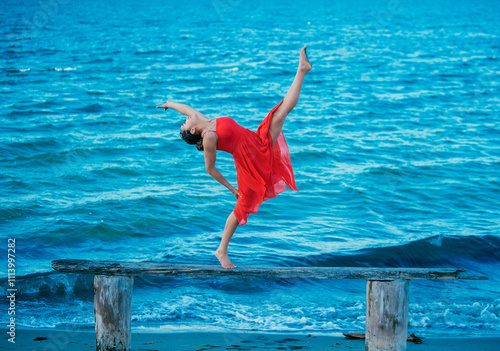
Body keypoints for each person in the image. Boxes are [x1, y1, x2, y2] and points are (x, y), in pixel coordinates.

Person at [157, 46, 312, 269]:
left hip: (256, 140)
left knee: (281, 111)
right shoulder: (209, 136)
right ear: (192, 132)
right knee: (242, 206)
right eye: (184, 124)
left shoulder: (205, 121)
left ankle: (302, 69)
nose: (186, 119)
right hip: (249, 159)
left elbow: (186, 109)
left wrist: (170, 104)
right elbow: (210, 169)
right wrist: (230, 187)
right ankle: (221, 250)